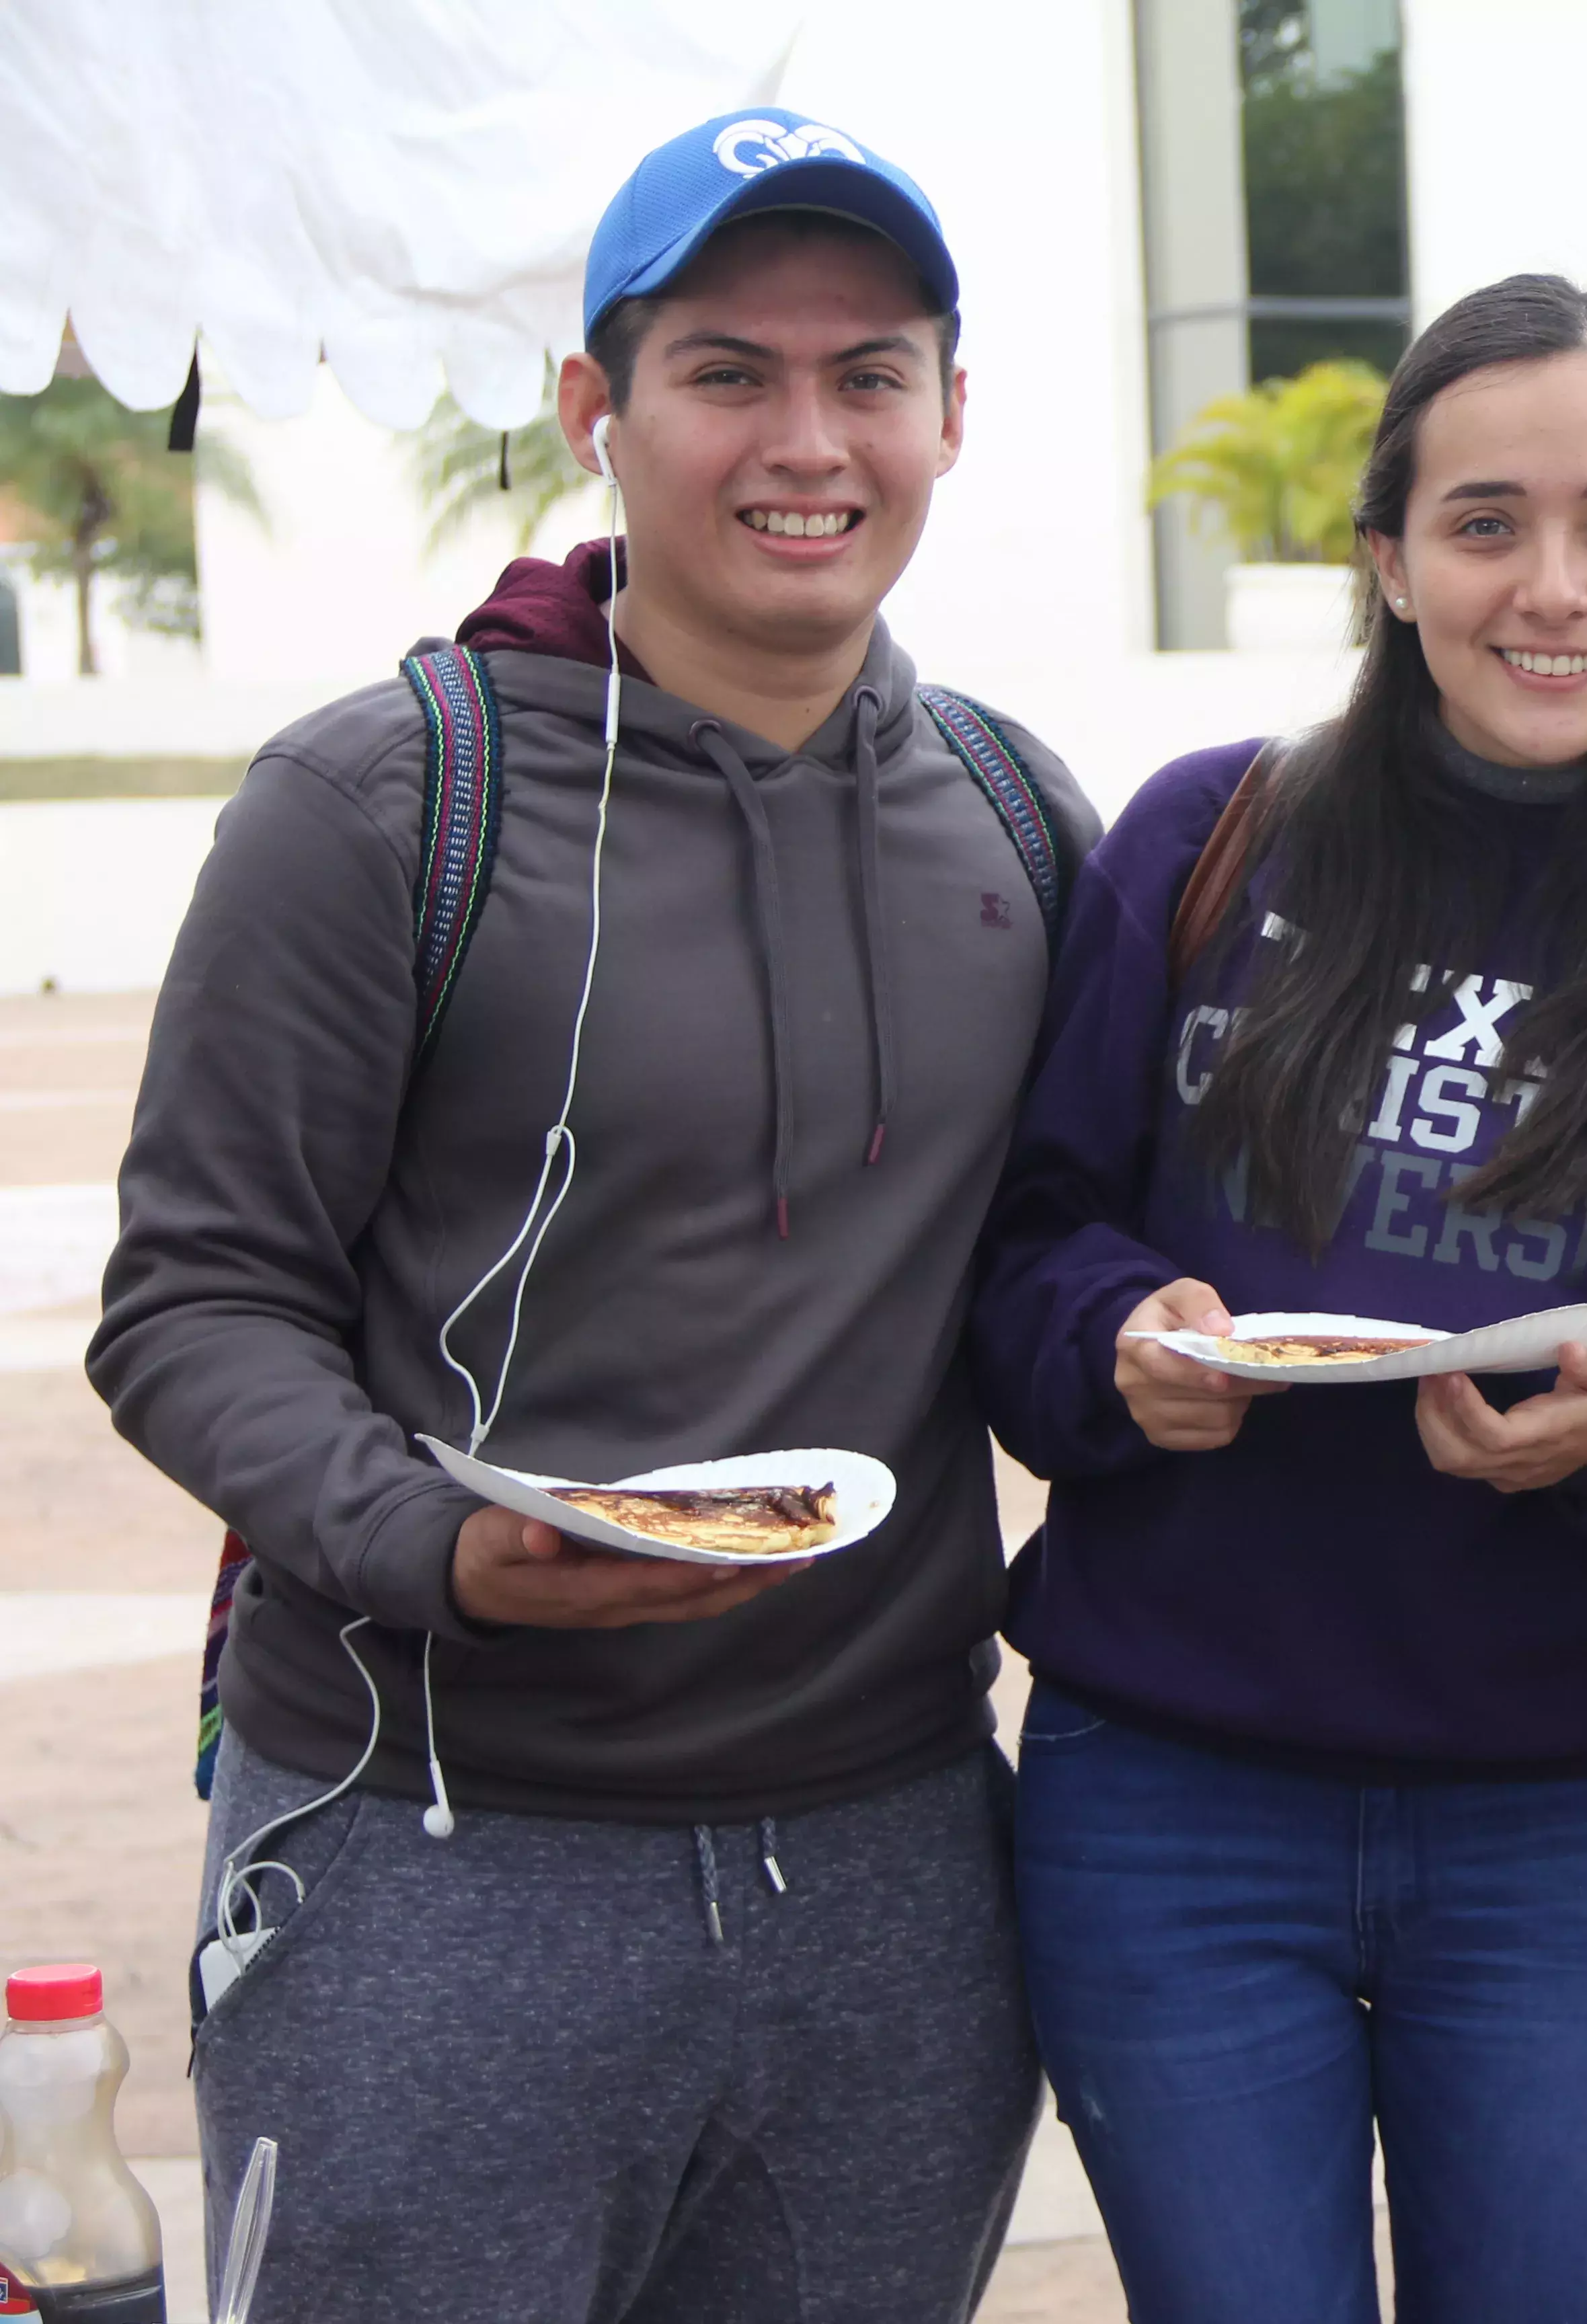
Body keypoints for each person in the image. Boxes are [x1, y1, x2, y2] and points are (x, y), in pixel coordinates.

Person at [89, 110, 1094, 2323]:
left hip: (894, 1860)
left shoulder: (1020, 821)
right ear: (594, 412)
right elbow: (191, 1300)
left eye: (872, 374)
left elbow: (1056, 1270)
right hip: (432, 1845)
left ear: (951, 412)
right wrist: (435, 1540)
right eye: (728, 371)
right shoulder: (384, 801)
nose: (806, 439)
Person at [969, 273, 1587, 2324]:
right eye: (1485, 523)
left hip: (1569, 1835)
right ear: (1388, 557)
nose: (1550, 587)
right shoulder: (1211, 842)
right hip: (1170, 1808)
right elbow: (1029, 1242)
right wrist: (1126, 1351)